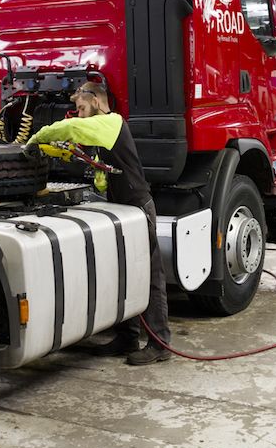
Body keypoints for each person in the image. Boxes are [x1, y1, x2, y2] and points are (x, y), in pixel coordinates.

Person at [24, 81, 171, 365]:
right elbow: (78, 152)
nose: (76, 110)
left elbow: (70, 130)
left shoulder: (112, 122)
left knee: (149, 275)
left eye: (80, 104)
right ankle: (128, 337)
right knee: (122, 274)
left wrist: (36, 137)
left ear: (95, 99)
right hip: (120, 208)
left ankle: (160, 342)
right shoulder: (102, 132)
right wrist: (47, 149)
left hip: (138, 208)